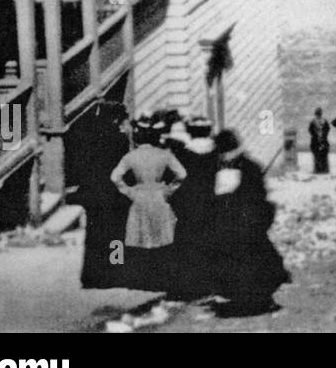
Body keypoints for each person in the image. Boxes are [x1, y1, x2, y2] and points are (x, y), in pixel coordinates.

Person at [209, 130, 290, 316]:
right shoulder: (224, 167)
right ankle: (245, 298)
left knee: (252, 262)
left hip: (247, 223)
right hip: (233, 224)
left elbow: (257, 197)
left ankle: (257, 300)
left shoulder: (248, 167)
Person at [110, 116, 187, 291]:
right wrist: (169, 190)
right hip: (160, 197)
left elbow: (115, 177)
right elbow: (182, 174)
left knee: (142, 238)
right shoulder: (164, 155)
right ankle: (162, 279)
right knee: (162, 239)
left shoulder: (131, 156)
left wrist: (129, 191)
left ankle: (143, 279)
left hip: (140, 197)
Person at [76, 100, 133, 290]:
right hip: (113, 195)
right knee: (116, 236)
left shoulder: (91, 139)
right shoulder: (119, 140)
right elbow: (123, 171)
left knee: (94, 236)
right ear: (117, 121)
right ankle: (114, 273)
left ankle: (92, 275)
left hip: (94, 196)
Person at [167, 116, 219, 300]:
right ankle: (212, 282)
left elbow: (174, 181)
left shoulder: (183, 154)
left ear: (190, 132)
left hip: (189, 205)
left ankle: (188, 286)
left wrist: (175, 201)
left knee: (187, 244)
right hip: (211, 203)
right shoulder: (216, 153)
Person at [308, 108, 331, 174]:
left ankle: (317, 170)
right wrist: (323, 136)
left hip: (315, 141)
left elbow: (310, 130)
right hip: (324, 141)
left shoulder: (313, 121)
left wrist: (316, 135)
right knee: (324, 156)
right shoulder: (325, 121)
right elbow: (327, 130)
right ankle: (325, 169)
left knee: (316, 156)